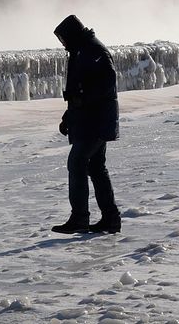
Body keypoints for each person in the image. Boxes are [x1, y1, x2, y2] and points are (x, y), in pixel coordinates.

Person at [51, 14, 121, 234]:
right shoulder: (82, 50)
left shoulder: (92, 50)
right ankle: (110, 218)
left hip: (96, 120)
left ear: (71, 35)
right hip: (92, 119)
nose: (62, 44)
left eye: (63, 39)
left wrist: (83, 100)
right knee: (95, 167)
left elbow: (108, 81)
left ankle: (80, 218)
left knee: (77, 162)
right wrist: (68, 117)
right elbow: (78, 92)